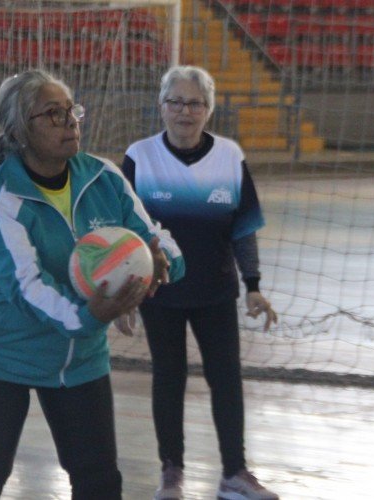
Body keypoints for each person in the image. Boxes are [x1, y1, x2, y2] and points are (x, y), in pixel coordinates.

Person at [0, 69, 185, 500]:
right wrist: (90, 315)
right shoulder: (1, 202)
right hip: (2, 351)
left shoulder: (103, 176)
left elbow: (151, 233)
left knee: (98, 480)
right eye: (52, 114)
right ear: (20, 131)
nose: (70, 121)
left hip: (79, 356)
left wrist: (165, 259)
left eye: (71, 110)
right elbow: (28, 288)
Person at [120, 65, 280, 500]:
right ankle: (171, 472)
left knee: (225, 377)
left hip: (215, 290)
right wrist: (127, 292)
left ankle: (235, 472)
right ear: (161, 107)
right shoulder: (139, 156)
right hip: (161, 291)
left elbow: (243, 229)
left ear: (208, 110)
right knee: (168, 376)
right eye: (176, 102)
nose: (184, 112)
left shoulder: (230, 156)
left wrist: (254, 285)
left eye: (194, 103)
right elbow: (125, 232)